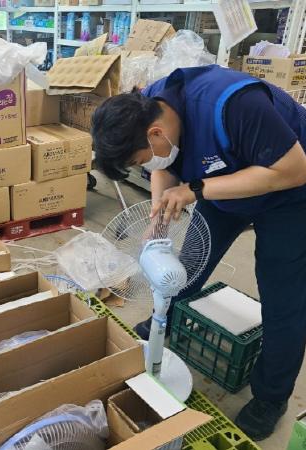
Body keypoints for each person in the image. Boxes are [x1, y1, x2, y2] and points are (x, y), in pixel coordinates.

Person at [91, 64, 306, 441]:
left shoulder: (236, 106)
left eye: (140, 161)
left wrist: (196, 190)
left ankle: (271, 397)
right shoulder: (150, 107)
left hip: (288, 193)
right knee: (187, 267)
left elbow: (294, 170)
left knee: (282, 299)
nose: (146, 166)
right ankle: (163, 319)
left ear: (155, 133)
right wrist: (158, 217)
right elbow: (164, 165)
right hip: (220, 186)